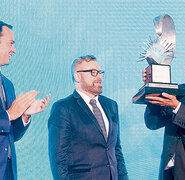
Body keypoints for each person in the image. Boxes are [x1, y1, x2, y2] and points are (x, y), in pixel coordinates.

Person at [48, 55, 128, 180]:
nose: (99, 77)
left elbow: (116, 150)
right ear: (77, 76)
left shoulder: (111, 105)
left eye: (100, 72)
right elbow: (59, 158)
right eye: (93, 72)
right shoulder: (63, 108)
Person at [144, 41, 185, 180]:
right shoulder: (177, 91)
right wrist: (152, 89)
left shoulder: (175, 100)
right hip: (168, 172)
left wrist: (177, 107)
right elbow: (153, 123)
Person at [0, 21, 50, 180]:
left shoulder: (7, 84)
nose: (14, 50)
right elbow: (7, 118)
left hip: (7, 171)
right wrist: (8, 115)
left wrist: (24, 115)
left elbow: (11, 133)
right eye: (11, 43)